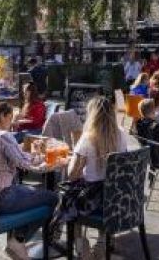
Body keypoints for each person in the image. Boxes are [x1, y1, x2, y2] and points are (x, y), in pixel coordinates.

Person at [0, 102, 59, 260]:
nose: (11, 121)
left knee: (27, 191)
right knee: (52, 197)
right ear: (2, 116)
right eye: (9, 117)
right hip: (3, 198)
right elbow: (24, 164)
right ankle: (19, 240)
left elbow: (11, 156)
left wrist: (21, 150)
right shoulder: (3, 136)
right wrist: (43, 155)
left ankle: (17, 242)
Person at [59, 96, 130, 258]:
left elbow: (72, 175)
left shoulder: (87, 138)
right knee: (100, 187)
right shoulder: (121, 134)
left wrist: (71, 159)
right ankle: (102, 240)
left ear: (92, 115)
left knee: (67, 200)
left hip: (93, 200)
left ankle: (81, 246)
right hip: (117, 198)